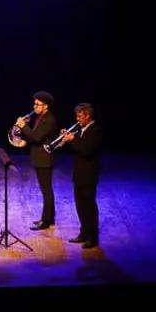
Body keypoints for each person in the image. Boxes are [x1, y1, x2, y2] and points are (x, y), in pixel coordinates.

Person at [60, 103, 103, 248]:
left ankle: (93, 237)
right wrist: (66, 138)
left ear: (87, 116)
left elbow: (87, 150)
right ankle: (83, 233)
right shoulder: (81, 129)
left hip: (89, 176)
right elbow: (77, 148)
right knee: (80, 205)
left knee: (89, 206)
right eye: (77, 116)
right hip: (78, 174)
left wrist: (73, 139)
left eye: (79, 116)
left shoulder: (95, 130)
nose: (77, 119)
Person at [14, 91, 58, 230]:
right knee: (46, 190)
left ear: (46, 106)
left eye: (37, 104)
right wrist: (24, 127)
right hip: (40, 158)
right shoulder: (40, 117)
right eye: (34, 104)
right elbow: (33, 135)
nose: (34, 107)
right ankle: (49, 219)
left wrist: (23, 127)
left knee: (46, 190)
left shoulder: (49, 119)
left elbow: (36, 138)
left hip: (45, 159)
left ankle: (46, 221)